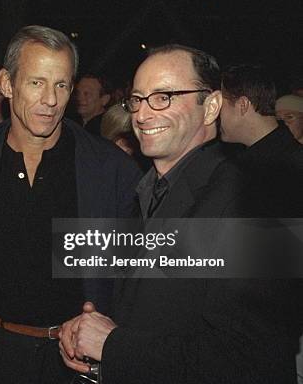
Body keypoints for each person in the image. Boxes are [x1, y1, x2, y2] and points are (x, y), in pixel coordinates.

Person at [60, 44, 301, 383]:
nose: (142, 114)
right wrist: (91, 335)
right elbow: (156, 316)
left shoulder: (260, 199)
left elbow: (255, 360)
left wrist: (113, 344)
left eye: (164, 97)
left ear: (211, 106)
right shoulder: (145, 193)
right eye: (137, 99)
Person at [0, 25, 141, 384]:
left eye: (62, 85)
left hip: (73, 366)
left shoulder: (110, 168)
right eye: (36, 82)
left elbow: (136, 273)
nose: (50, 100)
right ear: (7, 83)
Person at [220, 64, 303, 216]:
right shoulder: (280, 158)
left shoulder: (286, 170)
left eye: (219, 105)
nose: (214, 115)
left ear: (242, 105)